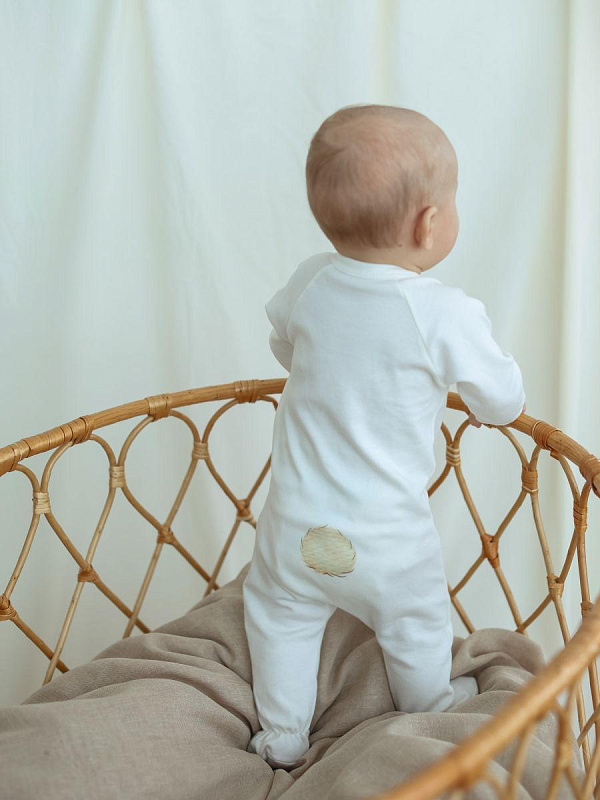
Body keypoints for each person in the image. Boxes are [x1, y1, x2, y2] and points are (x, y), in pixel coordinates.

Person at [242, 104, 526, 769]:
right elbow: (503, 403)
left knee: (279, 617)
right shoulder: (443, 313)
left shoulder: (312, 280)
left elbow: (284, 343)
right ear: (429, 223)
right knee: (415, 622)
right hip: (387, 543)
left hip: (293, 530)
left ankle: (282, 733)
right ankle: (431, 704)